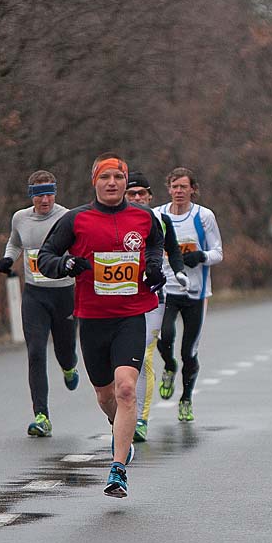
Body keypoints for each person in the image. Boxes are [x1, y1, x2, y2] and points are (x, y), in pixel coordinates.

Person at [38, 153, 166, 498]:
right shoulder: (75, 220)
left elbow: (156, 244)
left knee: (126, 389)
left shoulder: (143, 217)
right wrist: (67, 264)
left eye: (118, 177)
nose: (112, 183)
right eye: (105, 177)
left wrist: (154, 267)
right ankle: (117, 425)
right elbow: (45, 258)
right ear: (94, 181)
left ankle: (118, 469)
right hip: (93, 318)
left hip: (130, 315)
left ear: (126, 182)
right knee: (106, 395)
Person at [0, 171, 80, 438]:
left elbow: (79, 249)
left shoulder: (67, 217)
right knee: (35, 352)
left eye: (49, 194)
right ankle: (41, 416)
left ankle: (69, 366)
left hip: (64, 294)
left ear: (55, 193)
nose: (45, 200)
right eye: (39, 195)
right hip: (35, 295)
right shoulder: (20, 218)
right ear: (31, 195)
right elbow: (15, 243)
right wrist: (8, 259)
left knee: (65, 351)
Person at [154, 167, 223, 423]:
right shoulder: (157, 215)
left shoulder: (203, 216)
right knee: (164, 336)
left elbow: (218, 252)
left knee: (189, 351)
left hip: (196, 292)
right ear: (168, 188)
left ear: (193, 189)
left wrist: (200, 256)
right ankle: (169, 366)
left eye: (184, 187)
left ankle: (186, 399)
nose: (179, 191)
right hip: (166, 289)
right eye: (175, 186)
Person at [124, 171, 187, 442]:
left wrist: (179, 272)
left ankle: (140, 419)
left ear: (150, 196)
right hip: (119, 298)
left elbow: (174, 250)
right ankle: (121, 414)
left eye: (142, 193)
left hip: (153, 297)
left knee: (143, 356)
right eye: (132, 193)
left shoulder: (160, 220)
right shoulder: (112, 220)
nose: (137, 198)